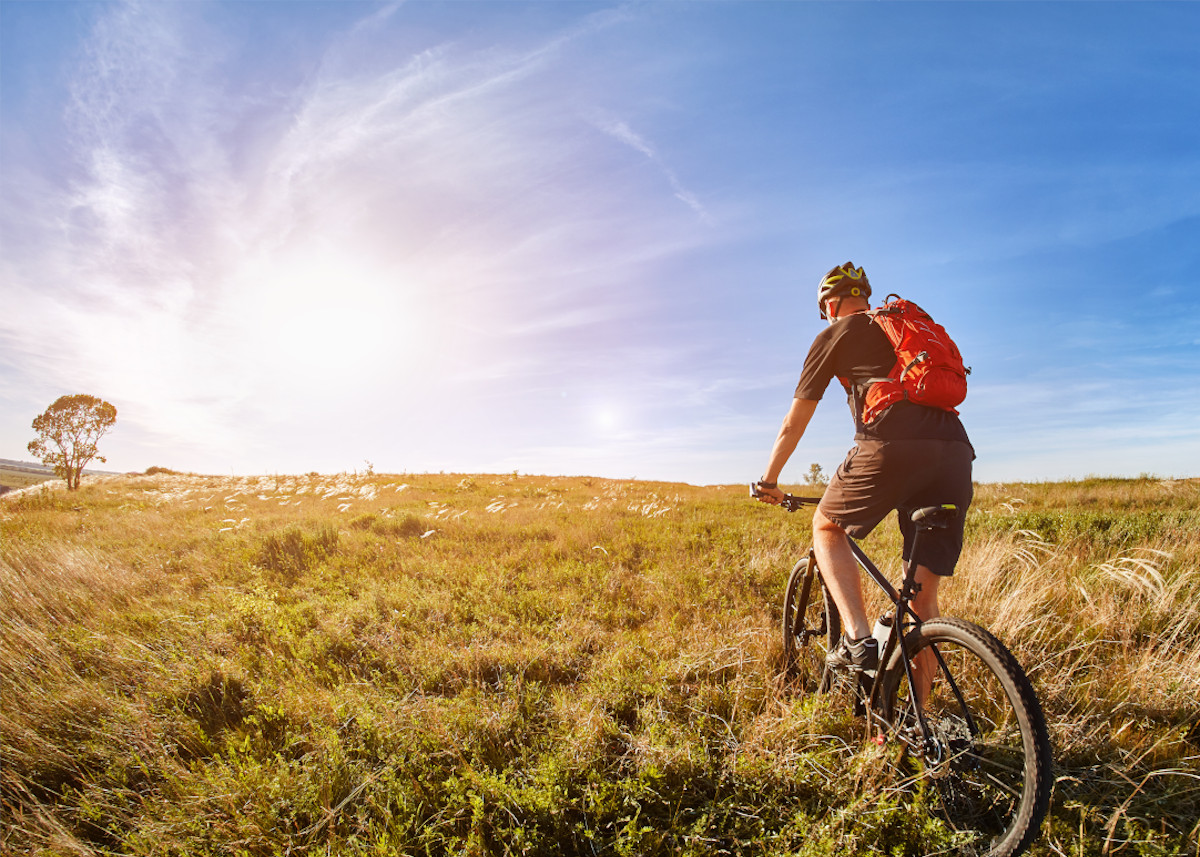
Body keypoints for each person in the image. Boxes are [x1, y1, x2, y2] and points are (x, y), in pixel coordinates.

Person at [754, 262, 974, 677]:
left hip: (891, 446)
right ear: (865, 298)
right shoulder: (901, 328)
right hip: (955, 450)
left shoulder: (836, 332)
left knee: (826, 526)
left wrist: (769, 480)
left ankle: (856, 641)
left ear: (830, 304)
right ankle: (915, 728)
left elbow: (793, 422)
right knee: (921, 606)